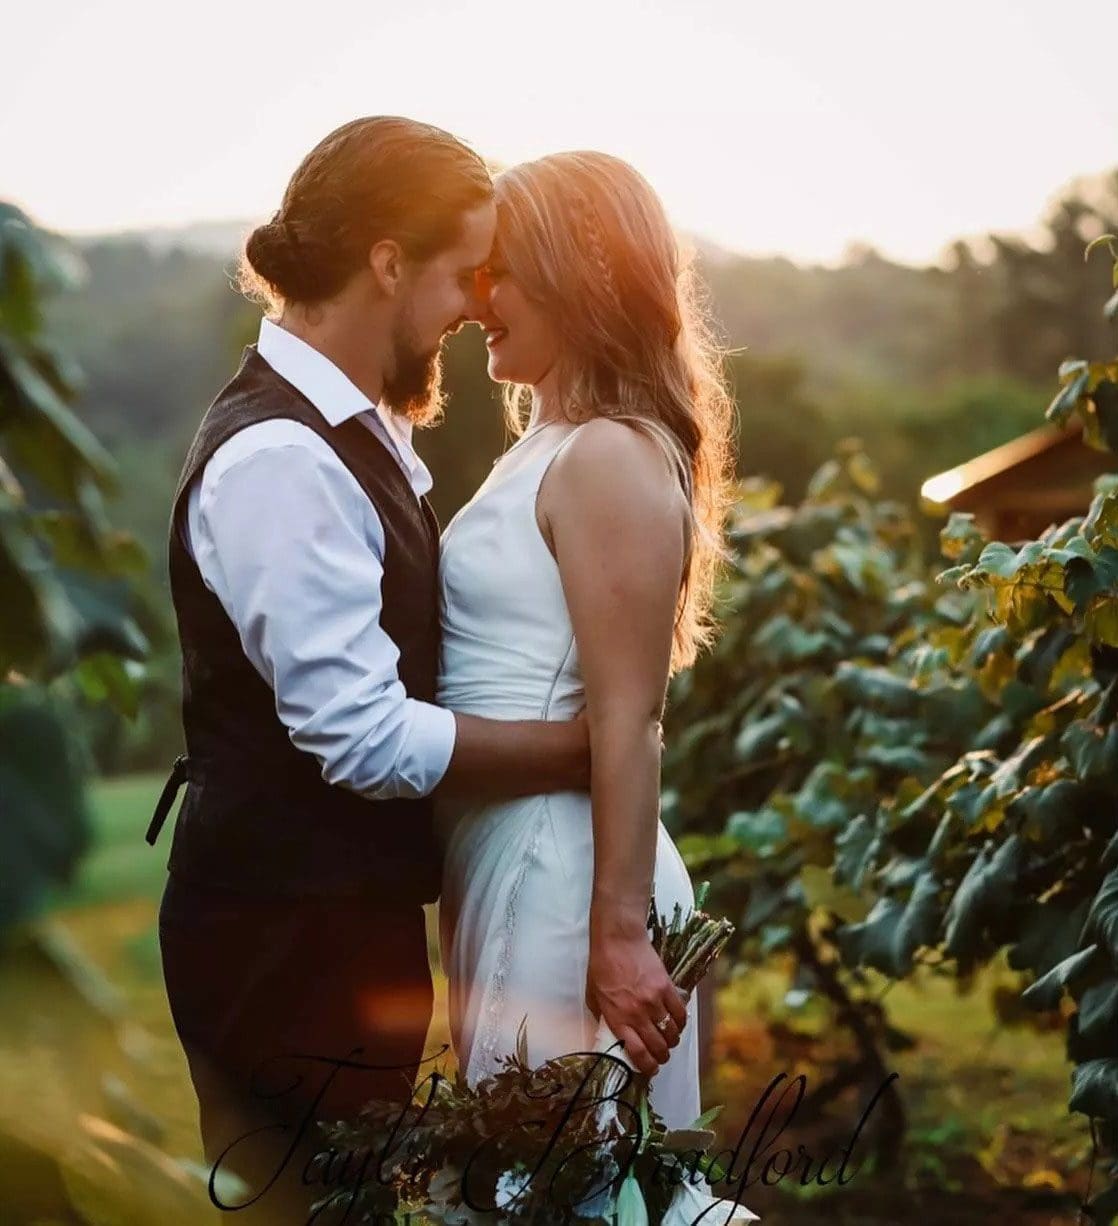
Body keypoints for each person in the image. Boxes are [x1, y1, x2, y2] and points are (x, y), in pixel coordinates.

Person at [149, 116, 592, 1223]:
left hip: (335, 923)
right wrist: (583, 752)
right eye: (461, 273)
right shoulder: (280, 459)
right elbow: (364, 736)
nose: (475, 304)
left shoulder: (357, 430)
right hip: (280, 939)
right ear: (387, 262)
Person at [437, 151, 738, 1132]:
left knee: (551, 1179)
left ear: (575, 274)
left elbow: (629, 713)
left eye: (500, 271)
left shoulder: (605, 452)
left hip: (563, 877)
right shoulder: (549, 446)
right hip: (512, 856)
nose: (479, 298)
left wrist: (614, 932)